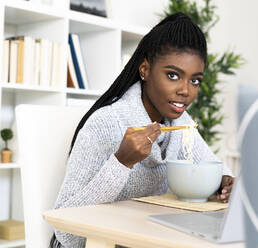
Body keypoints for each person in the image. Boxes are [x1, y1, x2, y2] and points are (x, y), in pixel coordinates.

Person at [50, 12, 235, 248]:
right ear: (145, 70)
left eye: (195, 80)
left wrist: (226, 183)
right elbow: (65, 230)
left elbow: (216, 170)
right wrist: (121, 162)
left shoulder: (181, 124)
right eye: (173, 75)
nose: (186, 91)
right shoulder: (106, 123)